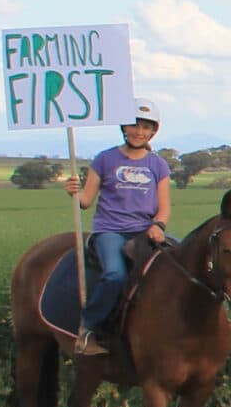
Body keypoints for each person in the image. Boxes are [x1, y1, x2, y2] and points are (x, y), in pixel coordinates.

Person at [58, 100, 172, 355]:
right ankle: (87, 328)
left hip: (145, 230)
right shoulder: (105, 159)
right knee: (115, 275)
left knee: (185, 260)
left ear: (153, 131)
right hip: (110, 230)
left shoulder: (158, 165)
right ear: (124, 127)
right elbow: (86, 201)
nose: (139, 132)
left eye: (145, 127)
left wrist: (158, 224)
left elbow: (164, 206)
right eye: (134, 125)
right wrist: (73, 192)